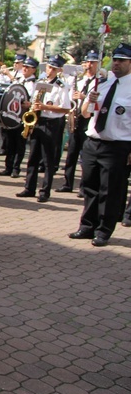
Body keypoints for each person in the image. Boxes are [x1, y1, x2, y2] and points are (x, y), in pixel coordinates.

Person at [69, 43, 131, 247]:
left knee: (110, 190)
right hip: (93, 141)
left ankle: (104, 230)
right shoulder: (102, 83)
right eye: (115, 59)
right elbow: (86, 113)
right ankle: (87, 226)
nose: (116, 64)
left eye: (122, 60)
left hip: (117, 145)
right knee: (89, 187)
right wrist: (89, 101)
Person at [16, 54, 70, 203]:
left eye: (53, 68)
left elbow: (65, 108)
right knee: (33, 157)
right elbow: (35, 100)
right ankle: (29, 188)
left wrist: (45, 107)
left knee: (47, 159)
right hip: (38, 121)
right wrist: (31, 106)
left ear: (58, 69)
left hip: (52, 124)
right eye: (48, 67)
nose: (50, 70)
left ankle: (45, 191)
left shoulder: (61, 86)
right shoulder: (41, 82)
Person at [58, 50, 99, 194]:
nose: (89, 65)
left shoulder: (99, 82)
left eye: (93, 62)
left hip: (88, 120)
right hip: (75, 119)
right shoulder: (79, 80)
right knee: (71, 154)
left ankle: (83, 186)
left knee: (85, 157)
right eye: (88, 62)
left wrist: (83, 96)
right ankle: (68, 183)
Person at [0, 56, 39, 178]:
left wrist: (30, 104)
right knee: (10, 142)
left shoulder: (35, 84)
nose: (24, 68)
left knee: (20, 144)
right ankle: (8, 167)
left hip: (23, 116)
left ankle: (16, 168)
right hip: (13, 114)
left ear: (34, 70)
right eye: (24, 66)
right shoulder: (19, 79)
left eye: (28, 67)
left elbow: (36, 100)